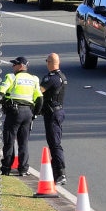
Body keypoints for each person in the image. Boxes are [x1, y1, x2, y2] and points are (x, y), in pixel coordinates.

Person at [0, 56, 43, 176]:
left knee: (9, 140)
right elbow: (40, 98)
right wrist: (35, 114)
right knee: (23, 142)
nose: (13, 66)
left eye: (15, 64)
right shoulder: (34, 79)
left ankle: (6, 167)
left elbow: (0, 93)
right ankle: (23, 169)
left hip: (14, 112)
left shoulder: (12, 77)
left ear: (21, 66)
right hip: (28, 113)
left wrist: (0, 98)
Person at [39, 53, 68, 186]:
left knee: (54, 143)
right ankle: (54, 170)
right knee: (54, 141)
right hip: (58, 111)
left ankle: (60, 172)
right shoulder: (62, 76)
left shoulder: (51, 78)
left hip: (52, 113)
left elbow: (39, 91)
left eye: (47, 61)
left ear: (50, 62)